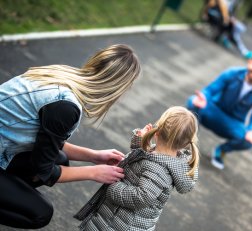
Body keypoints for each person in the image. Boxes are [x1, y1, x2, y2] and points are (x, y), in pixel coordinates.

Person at [0, 44, 141, 229]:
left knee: (61, 159)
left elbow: (47, 144)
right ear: (118, 87)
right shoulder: (65, 107)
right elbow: (43, 169)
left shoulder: (62, 76)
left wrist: (94, 156)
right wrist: (94, 173)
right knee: (40, 213)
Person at [74, 106, 199, 231]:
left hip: (121, 223)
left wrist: (114, 187)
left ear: (157, 132)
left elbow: (142, 197)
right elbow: (143, 156)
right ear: (186, 143)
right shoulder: (162, 157)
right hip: (116, 218)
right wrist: (141, 139)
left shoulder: (158, 169)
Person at [186, 49, 252, 170]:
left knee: (250, 140)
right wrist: (204, 97)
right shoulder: (232, 73)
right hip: (212, 112)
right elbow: (210, 90)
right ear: (250, 62)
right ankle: (188, 142)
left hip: (232, 124)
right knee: (193, 101)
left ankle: (220, 151)